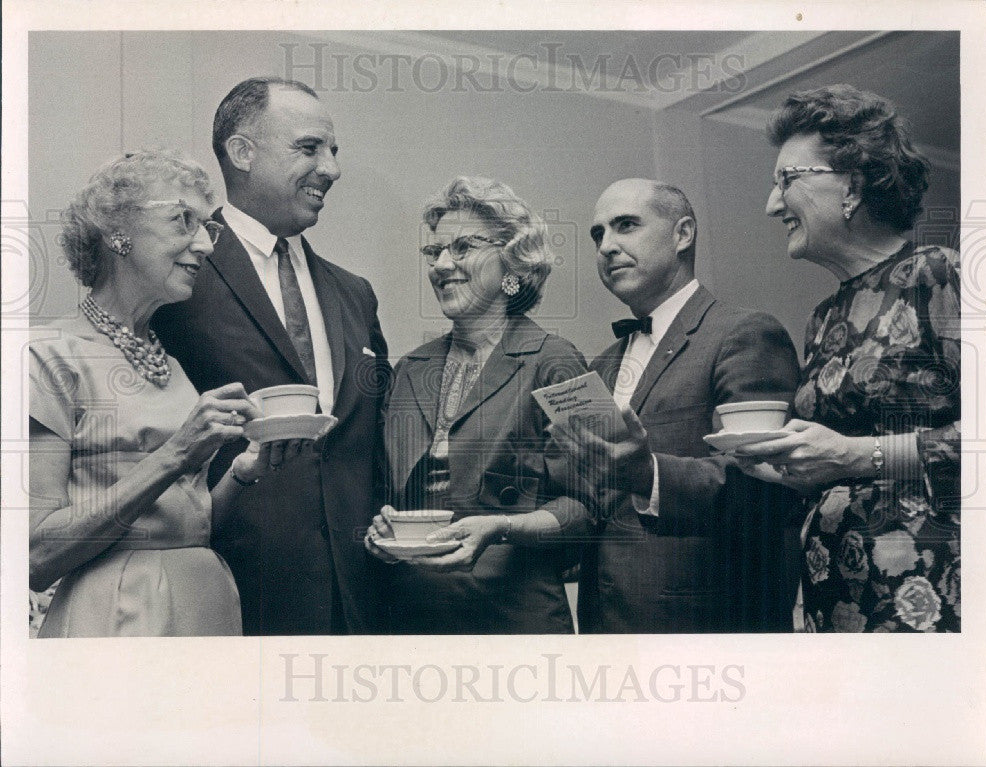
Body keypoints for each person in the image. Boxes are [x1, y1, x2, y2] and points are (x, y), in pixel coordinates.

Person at [29, 150, 320, 637]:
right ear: (118, 234)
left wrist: (242, 474)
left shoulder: (171, 362)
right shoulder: (51, 357)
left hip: (206, 600)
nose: (205, 244)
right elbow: (36, 556)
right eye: (184, 221)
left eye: (209, 227)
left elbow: (186, 523)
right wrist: (178, 452)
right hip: (120, 614)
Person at [152, 78, 390, 635]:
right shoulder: (176, 278)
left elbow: (372, 442)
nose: (331, 168)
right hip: (230, 596)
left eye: (333, 152)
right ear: (242, 153)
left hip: (358, 601)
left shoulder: (355, 293)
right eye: (310, 148)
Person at [736, 85, 960, 632]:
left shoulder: (941, 274)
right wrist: (777, 465)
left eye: (786, 180)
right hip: (830, 591)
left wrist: (861, 456)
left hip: (926, 594)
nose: (771, 205)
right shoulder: (823, 318)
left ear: (853, 184)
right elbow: (833, 464)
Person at [551, 178, 801, 633]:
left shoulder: (746, 334)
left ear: (682, 234)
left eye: (626, 226)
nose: (607, 246)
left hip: (708, 629)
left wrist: (649, 473)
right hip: (607, 628)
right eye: (598, 234)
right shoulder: (603, 364)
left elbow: (767, 492)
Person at [364, 177, 591, 633]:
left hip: (515, 620)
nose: (442, 264)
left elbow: (592, 505)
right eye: (435, 252)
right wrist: (380, 526)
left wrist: (500, 527)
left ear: (512, 261)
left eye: (463, 247)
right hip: (409, 615)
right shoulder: (410, 367)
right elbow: (385, 488)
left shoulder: (558, 359)